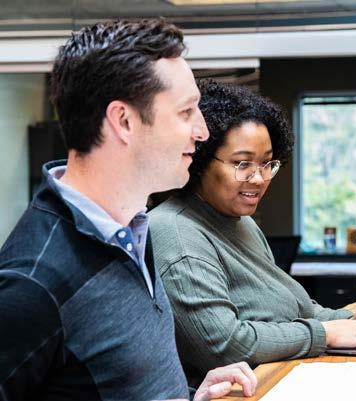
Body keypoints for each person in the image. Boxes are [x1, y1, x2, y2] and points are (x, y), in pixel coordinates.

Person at [0, 21, 257, 401]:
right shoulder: (31, 282)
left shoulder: (131, 229)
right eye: (186, 111)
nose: (202, 131)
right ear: (123, 121)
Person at [149, 79, 356, 388]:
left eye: (267, 163)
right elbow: (225, 345)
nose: (259, 178)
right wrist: (324, 334)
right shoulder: (175, 234)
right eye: (242, 163)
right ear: (199, 160)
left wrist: (350, 320)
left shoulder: (241, 222)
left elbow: (292, 310)